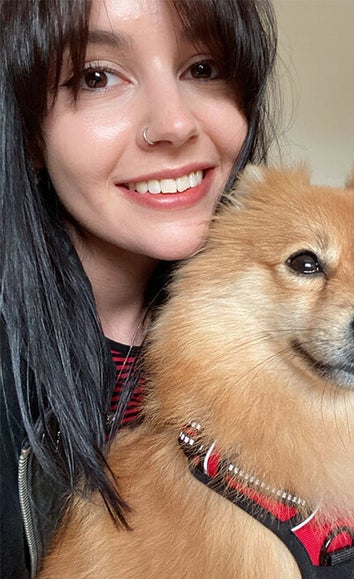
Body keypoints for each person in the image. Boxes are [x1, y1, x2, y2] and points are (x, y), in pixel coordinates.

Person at [0, 1, 278, 576]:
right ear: (26, 129)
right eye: (96, 76)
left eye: (204, 68)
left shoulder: (275, 342)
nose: (175, 124)